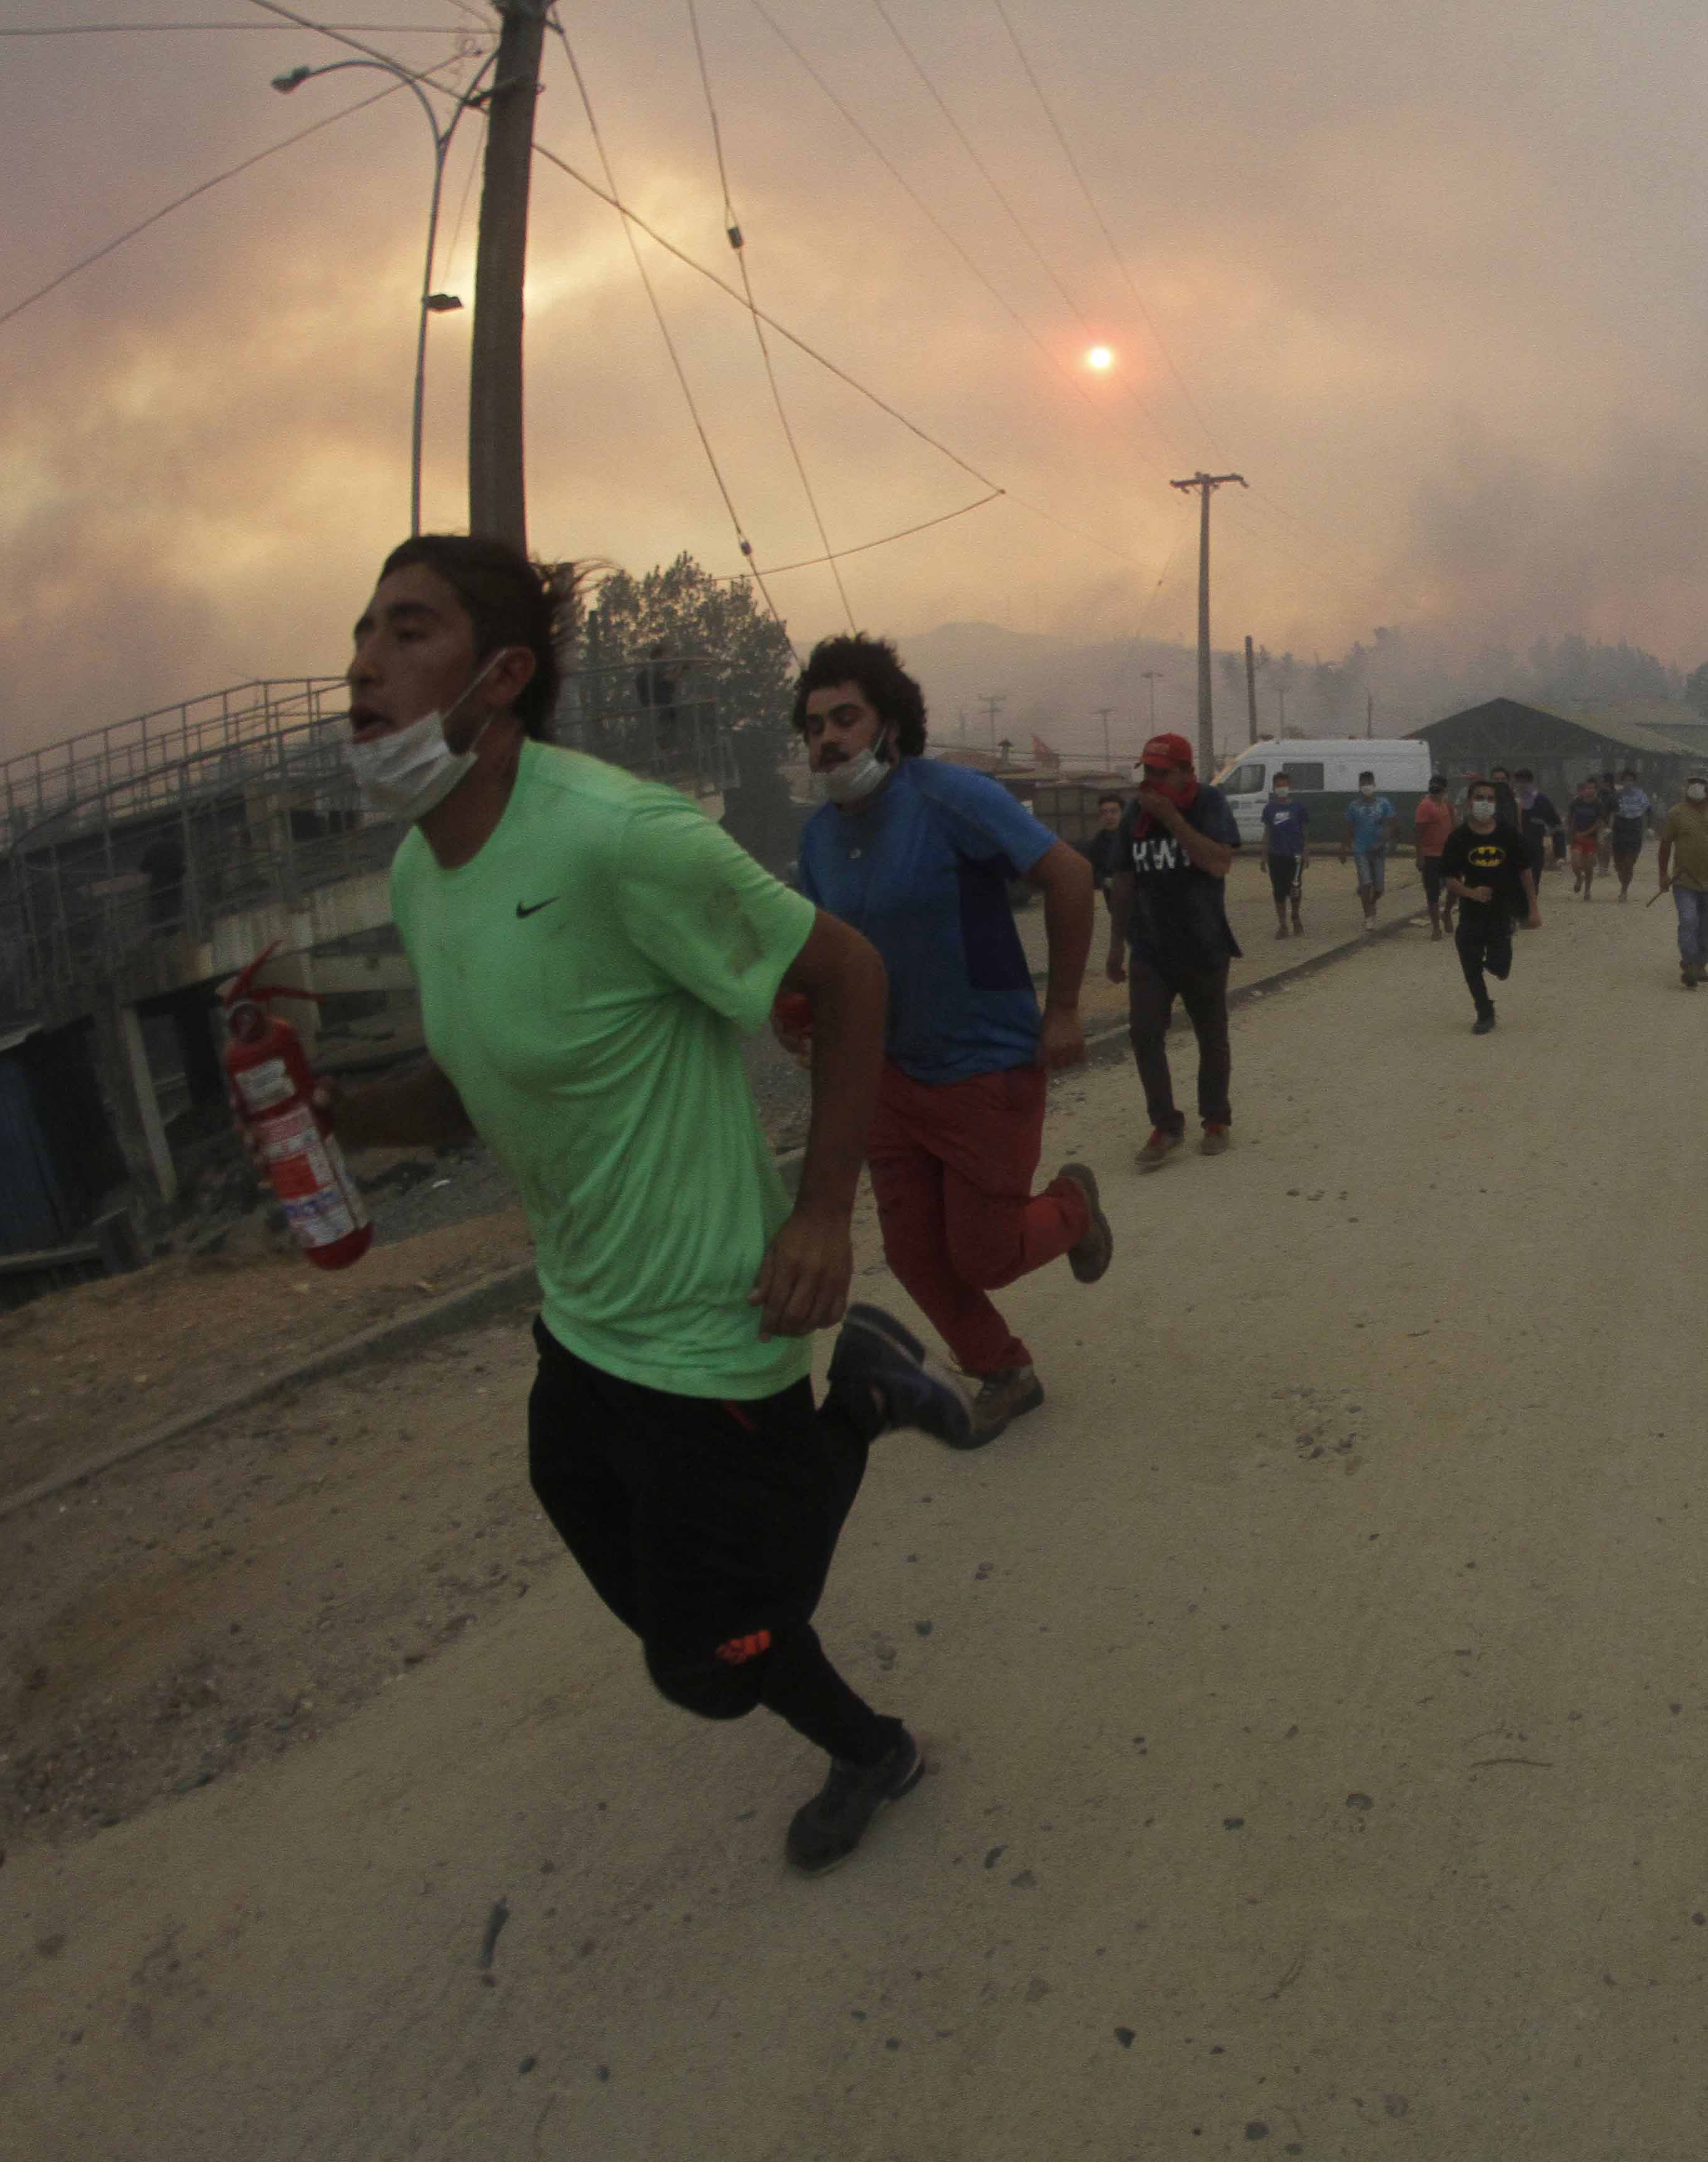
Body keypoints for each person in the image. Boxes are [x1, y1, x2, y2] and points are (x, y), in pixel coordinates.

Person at [315, 535, 961, 1877]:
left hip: (713, 1322)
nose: (363, 665)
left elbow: (848, 980)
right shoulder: (420, 875)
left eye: (407, 632)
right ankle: (871, 1746)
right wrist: (341, 1115)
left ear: (502, 676)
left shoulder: (617, 837)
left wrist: (823, 1217)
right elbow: (479, 1071)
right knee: (686, 1611)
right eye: (363, 634)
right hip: (586, 1327)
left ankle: (861, 1398)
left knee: (713, 1664)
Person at [787, 635, 1115, 1448]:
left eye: (846, 718)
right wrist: (791, 1009)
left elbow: (1070, 876)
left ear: (891, 726)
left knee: (986, 1254)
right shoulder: (818, 841)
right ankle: (1005, 1370)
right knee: (915, 1256)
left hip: (984, 1066)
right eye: (813, 725)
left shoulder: (950, 797)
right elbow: (817, 950)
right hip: (886, 1078)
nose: (827, 738)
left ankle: (1072, 1207)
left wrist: (1065, 1009)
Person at [1104, 732, 1241, 1167]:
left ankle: (1215, 1119)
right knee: (1144, 1033)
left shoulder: (1210, 804)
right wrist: (1115, 945)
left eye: (1162, 773)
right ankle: (1165, 1125)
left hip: (1203, 943)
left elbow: (1219, 862)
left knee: (1211, 1036)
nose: (1152, 781)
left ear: (1186, 774)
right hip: (1150, 947)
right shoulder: (1134, 815)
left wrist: (1174, 821)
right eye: (1146, 771)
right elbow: (1124, 880)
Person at [1440, 775, 1542, 1032]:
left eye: (1489, 799)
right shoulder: (1459, 838)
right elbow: (1449, 878)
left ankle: (1499, 964)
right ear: (1469, 802)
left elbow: (1525, 872)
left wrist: (1533, 908)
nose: (1484, 803)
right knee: (1469, 961)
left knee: (1500, 964)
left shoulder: (1508, 834)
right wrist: (1470, 893)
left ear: (1496, 803)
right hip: (1472, 911)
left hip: (1502, 910)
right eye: (1479, 798)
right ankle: (1484, 1012)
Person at [1655, 773, 1708, 988]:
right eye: (1692, 783)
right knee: (1688, 919)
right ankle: (1689, 962)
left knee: (1706, 923)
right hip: (1684, 880)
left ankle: (1701, 964)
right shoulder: (1676, 813)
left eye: (1700, 783)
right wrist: (1663, 874)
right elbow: (1665, 845)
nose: (1696, 787)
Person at [1343, 770, 1397, 928]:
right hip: (1361, 850)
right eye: (1363, 784)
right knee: (1366, 882)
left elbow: (1392, 823)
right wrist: (1344, 848)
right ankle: (1368, 915)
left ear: (1374, 785)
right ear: (1359, 786)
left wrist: (1383, 840)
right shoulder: (1354, 806)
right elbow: (1349, 827)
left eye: (1369, 783)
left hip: (1379, 851)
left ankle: (1370, 901)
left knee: (1379, 888)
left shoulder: (1383, 803)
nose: (1366, 787)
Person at [1260, 772, 1310, 938]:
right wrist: (1263, 856)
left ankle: (1295, 916)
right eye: (1278, 785)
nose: (1282, 788)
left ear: (1289, 787)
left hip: (1295, 856)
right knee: (1279, 892)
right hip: (1276, 856)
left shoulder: (1298, 808)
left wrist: (1306, 851)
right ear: (1274, 788)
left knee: (1295, 888)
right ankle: (1283, 925)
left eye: (1284, 785)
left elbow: (1304, 831)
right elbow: (1267, 833)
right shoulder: (1269, 809)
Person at [1413, 773, 1456, 940]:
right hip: (1431, 855)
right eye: (1433, 784)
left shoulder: (1447, 805)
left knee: (1455, 888)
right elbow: (1418, 833)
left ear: (1445, 788)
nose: (1435, 787)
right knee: (1433, 892)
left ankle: (1446, 913)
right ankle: (1436, 928)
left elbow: (1454, 826)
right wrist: (1420, 856)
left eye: (1438, 785)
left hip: (1448, 854)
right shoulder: (1425, 806)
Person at [1513, 768, 1564, 896]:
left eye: (1526, 782)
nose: (1522, 785)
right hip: (1513, 849)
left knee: (1533, 884)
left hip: (1535, 850)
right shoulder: (1509, 800)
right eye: (1519, 782)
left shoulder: (1541, 801)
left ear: (1532, 783)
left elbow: (1556, 825)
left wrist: (1560, 853)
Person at [1609, 766, 1652, 901]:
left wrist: (1650, 827)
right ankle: (1623, 880)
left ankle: (1624, 890)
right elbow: (1607, 808)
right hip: (1619, 831)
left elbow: (1649, 810)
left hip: (1635, 831)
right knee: (1619, 864)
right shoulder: (1616, 795)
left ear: (1634, 781)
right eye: (1626, 780)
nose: (1628, 783)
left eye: (1631, 780)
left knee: (1629, 863)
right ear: (1622, 781)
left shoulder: (1641, 795)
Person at [1566, 777, 1605, 898]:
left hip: (1591, 839)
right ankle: (1579, 878)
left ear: (1596, 790)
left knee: (1589, 867)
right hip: (1576, 838)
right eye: (1586, 788)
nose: (1588, 790)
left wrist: (1585, 833)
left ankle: (1587, 890)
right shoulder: (1576, 802)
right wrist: (1568, 828)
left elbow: (1599, 823)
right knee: (1575, 864)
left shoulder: (1598, 804)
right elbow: (1569, 817)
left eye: (1591, 788)